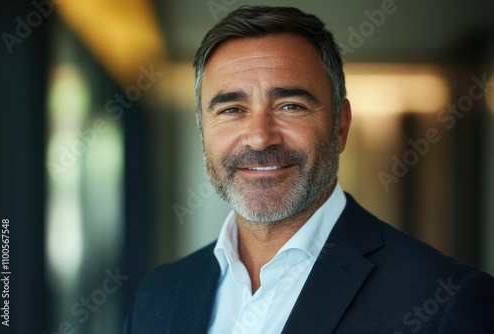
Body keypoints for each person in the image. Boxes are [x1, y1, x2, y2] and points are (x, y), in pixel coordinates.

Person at [125, 5, 494, 333]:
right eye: (231, 110)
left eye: (290, 106)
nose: (259, 137)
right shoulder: (158, 295)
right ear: (202, 129)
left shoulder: (446, 302)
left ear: (340, 125)